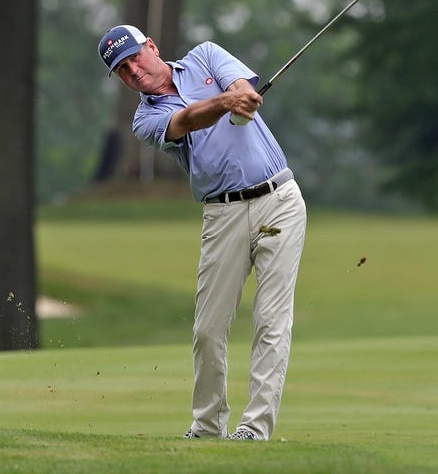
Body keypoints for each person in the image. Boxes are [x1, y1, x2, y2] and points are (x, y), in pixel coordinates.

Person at [97, 24, 308, 442]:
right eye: (122, 70)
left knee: (272, 320)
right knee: (209, 329)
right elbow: (187, 119)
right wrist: (227, 100)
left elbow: (240, 84)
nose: (134, 71)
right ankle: (208, 427)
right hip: (222, 213)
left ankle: (255, 429)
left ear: (151, 47)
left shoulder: (205, 56)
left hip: (278, 199)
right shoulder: (145, 119)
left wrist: (240, 94)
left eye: (135, 57)